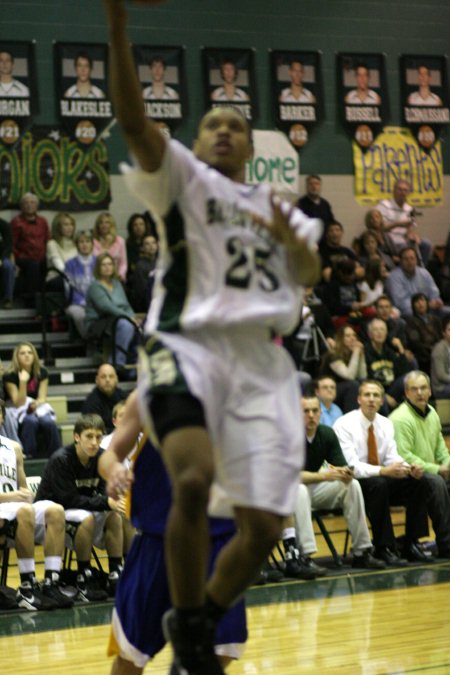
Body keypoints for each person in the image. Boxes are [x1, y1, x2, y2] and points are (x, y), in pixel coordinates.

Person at [104, 2, 321, 672]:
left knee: (264, 527)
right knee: (192, 480)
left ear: (252, 148)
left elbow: (309, 269)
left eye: (236, 124)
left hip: (256, 366)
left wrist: (292, 245)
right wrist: (117, 22)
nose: (224, 130)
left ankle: (195, 626)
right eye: (211, 124)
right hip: (185, 348)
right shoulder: (184, 178)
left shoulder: (279, 209)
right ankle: (188, 625)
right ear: (194, 146)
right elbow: (135, 120)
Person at [99, 391, 247, 674]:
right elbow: (110, 455)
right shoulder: (148, 395)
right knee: (131, 655)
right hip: (158, 541)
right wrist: (115, 469)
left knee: (222, 649)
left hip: (217, 538)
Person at [333, 380, 434, 565]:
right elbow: (351, 466)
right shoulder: (344, 424)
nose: (371, 399)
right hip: (353, 483)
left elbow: (392, 456)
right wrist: (384, 471)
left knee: (419, 481)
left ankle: (412, 543)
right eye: (367, 395)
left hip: (380, 477)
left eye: (376, 395)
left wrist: (408, 467)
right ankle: (384, 547)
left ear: (382, 402)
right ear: (359, 399)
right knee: (378, 484)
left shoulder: (386, 423)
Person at [35, 414, 126, 601]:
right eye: (89, 436)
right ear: (77, 437)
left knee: (115, 514)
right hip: (51, 512)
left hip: (79, 509)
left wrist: (113, 501)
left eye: (99, 437)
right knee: (87, 517)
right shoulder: (61, 459)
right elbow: (67, 499)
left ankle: (116, 571)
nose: (94, 442)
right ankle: (84, 574)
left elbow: (102, 494)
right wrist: (104, 502)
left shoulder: (101, 458)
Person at [296, 395, 385, 569]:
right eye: (306, 411)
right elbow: (289, 477)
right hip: (288, 495)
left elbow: (341, 467)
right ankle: (304, 556)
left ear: (321, 413)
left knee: (352, 485)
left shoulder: (326, 433)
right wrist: (324, 476)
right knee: (298, 490)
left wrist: (346, 473)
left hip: (315, 490)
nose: (311, 415)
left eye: (315, 411)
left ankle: (362, 551)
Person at [0, 400, 72, 610]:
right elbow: (17, 495)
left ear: (3, 417)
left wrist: (26, 495)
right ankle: (27, 585)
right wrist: (15, 496)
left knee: (55, 510)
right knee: (24, 511)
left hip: (14, 507)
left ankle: (51, 581)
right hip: (7, 505)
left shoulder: (13, 447)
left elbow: (24, 488)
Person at [390, 371, 450, 558]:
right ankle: (446, 543)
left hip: (431, 471)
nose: (420, 392)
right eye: (414, 389)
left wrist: (447, 463)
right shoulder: (400, 418)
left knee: (439, 481)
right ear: (407, 393)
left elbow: (440, 445)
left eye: (423, 388)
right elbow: (404, 455)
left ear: (430, 391)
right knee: (436, 483)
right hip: (407, 477)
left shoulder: (432, 413)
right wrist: (438, 469)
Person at [3, 342, 61, 459]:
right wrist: (23, 381)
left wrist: (36, 403)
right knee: (31, 421)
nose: (27, 355)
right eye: (22, 353)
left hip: (35, 406)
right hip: (16, 409)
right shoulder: (9, 376)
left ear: (34, 356)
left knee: (48, 422)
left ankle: (57, 456)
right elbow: (18, 402)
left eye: (30, 353)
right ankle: (29, 457)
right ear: (17, 357)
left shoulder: (42, 372)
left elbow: (42, 397)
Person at [85, 253, 140, 376]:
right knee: (126, 325)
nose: (107, 267)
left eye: (110, 264)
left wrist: (133, 317)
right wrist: (128, 318)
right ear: (98, 268)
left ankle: (133, 368)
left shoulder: (117, 283)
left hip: (118, 319)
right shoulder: (95, 286)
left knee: (140, 325)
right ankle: (115, 363)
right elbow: (107, 307)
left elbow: (126, 305)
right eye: (103, 265)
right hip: (99, 323)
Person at [376, 180, 432, 265]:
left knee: (426, 244)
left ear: (408, 193)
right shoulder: (384, 205)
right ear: (394, 191)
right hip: (389, 241)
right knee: (405, 248)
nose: (402, 193)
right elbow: (380, 228)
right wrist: (398, 224)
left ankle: (420, 271)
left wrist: (413, 235)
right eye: (400, 189)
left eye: (405, 190)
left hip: (404, 240)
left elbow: (410, 229)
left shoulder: (410, 209)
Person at [364, 317, 413, 411]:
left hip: (391, 389)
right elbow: (367, 379)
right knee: (382, 401)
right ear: (370, 334)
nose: (379, 332)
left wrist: (400, 348)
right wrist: (384, 396)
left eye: (382, 329)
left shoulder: (389, 352)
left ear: (386, 334)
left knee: (409, 378)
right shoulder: (365, 352)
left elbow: (405, 372)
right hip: (373, 391)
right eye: (375, 330)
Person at [386, 246, 449, 318]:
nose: (409, 262)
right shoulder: (394, 277)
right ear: (400, 261)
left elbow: (434, 292)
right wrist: (425, 305)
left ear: (416, 260)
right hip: (409, 312)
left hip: (430, 309)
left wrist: (437, 301)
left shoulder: (424, 273)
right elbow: (400, 303)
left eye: (412, 258)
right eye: (406, 259)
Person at [319, 325, 366, 413]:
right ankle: (352, 419)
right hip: (328, 389)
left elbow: (362, 376)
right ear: (341, 338)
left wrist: (361, 355)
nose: (352, 338)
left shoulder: (351, 354)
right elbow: (349, 376)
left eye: (354, 335)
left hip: (343, 388)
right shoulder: (333, 355)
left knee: (365, 384)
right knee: (353, 385)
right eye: (348, 336)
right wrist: (356, 353)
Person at [11, 192, 50, 297]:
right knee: (33, 265)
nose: (29, 205)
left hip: (41, 256)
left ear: (37, 206)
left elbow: (48, 240)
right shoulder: (16, 222)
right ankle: (32, 300)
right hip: (23, 258)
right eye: (26, 203)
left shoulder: (43, 221)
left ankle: (46, 301)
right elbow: (11, 244)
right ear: (21, 206)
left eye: (32, 203)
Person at [64, 229, 97, 340]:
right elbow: (69, 289)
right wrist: (83, 302)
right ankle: (90, 340)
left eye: (87, 241)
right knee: (80, 315)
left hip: (98, 301)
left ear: (92, 244)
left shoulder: (99, 262)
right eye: (81, 242)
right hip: (76, 303)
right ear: (77, 245)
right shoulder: (69, 264)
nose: (84, 245)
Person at [81, 364, 127, 434]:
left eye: (111, 376)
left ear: (116, 379)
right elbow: (94, 430)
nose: (107, 380)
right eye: (103, 377)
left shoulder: (125, 397)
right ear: (97, 380)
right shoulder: (91, 403)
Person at [404, 293, 442, 374]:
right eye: (417, 301)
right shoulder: (411, 322)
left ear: (427, 303)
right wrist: (432, 350)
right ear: (413, 305)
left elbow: (441, 337)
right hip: (423, 356)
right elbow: (415, 343)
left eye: (422, 300)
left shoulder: (435, 320)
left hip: (439, 351)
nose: (420, 303)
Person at [127, 234, 158, 314]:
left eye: (153, 243)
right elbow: (142, 291)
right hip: (148, 306)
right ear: (142, 248)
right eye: (147, 244)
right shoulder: (140, 266)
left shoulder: (160, 263)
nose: (151, 246)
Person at [46, 212, 77, 291]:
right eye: (66, 225)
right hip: (57, 278)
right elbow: (60, 267)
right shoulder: (52, 243)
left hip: (75, 276)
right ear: (58, 227)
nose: (70, 227)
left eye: (71, 224)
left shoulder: (76, 244)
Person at [92, 212, 127, 282]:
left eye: (107, 222)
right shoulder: (92, 241)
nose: (104, 225)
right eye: (101, 223)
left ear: (111, 225)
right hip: (97, 279)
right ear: (97, 226)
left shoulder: (120, 241)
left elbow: (123, 263)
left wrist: (120, 275)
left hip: (116, 278)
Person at [125, 212, 154, 277]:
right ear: (131, 228)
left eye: (141, 224)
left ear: (145, 226)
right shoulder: (128, 245)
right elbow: (131, 265)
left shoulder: (152, 241)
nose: (138, 227)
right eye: (135, 225)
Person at [430, 316, 450, 398]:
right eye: (449, 330)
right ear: (443, 333)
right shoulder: (439, 349)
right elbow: (441, 375)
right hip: (441, 388)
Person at [0, 216, 16, 308]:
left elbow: (8, 246)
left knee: (9, 266)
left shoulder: (4, 225)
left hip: (2, 257)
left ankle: (8, 299)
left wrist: (1, 259)